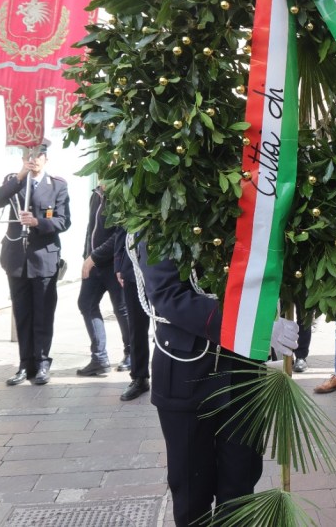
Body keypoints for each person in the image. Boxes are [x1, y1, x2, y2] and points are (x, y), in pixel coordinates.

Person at [134, 239, 298, 526]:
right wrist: (254, 326)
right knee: (190, 492)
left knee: (240, 487)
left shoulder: (252, 210)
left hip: (243, 371)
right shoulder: (160, 219)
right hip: (186, 373)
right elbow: (168, 294)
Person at [0, 139, 71, 386]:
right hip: (17, 258)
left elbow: (64, 221)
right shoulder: (14, 182)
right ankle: (25, 365)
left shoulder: (57, 185)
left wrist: (38, 222)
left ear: (46, 158)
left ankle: (42, 362)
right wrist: (20, 176)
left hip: (44, 258)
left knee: (43, 314)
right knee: (22, 314)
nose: (33, 159)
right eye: (28, 155)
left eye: (37, 155)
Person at [75, 183, 130, 376]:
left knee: (122, 308)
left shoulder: (122, 193)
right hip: (93, 262)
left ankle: (130, 354)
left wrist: (94, 257)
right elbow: (91, 229)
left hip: (114, 264)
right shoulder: (96, 194)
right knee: (86, 304)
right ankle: (99, 358)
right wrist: (86, 256)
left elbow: (119, 235)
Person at [115, 229, 149, 401]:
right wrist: (119, 265)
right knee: (136, 326)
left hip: (164, 261)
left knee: (170, 324)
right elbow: (121, 229)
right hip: (132, 268)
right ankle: (139, 377)